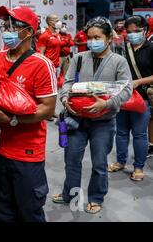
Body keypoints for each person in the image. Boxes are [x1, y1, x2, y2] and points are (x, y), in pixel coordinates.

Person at [53, 16, 132, 214]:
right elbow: (67, 82)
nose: (92, 41)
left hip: (103, 122)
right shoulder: (79, 58)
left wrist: (106, 103)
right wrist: (64, 101)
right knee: (72, 161)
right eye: (90, 37)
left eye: (97, 37)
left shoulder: (118, 62)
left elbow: (126, 90)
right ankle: (69, 194)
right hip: (76, 120)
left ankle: (96, 197)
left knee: (99, 163)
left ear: (108, 38)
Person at [0, 5, 57, 222]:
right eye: (5, 24)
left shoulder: (41, 64)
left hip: (27, 151)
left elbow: (48, 108)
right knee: (3, 211)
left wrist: (14, 120)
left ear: (29, 32)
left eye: (14, 25)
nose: (7, 29)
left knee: (30, 211)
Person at [108, 16, 153, 181]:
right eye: (130, 31)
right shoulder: (121, 48)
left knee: (140, 134)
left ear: (145, 31)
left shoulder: (151, 48)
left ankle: (139, 167)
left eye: (137, 31)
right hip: (122, 97)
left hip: (142, 99)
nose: (133, 34)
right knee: (120, 132)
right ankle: (120, 161)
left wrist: (138, 82)